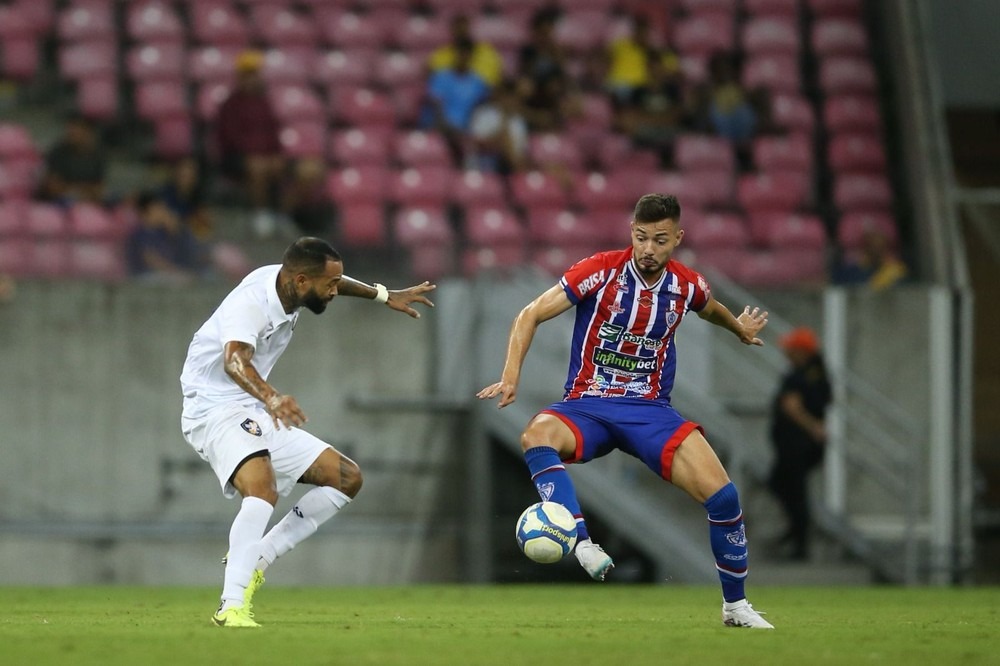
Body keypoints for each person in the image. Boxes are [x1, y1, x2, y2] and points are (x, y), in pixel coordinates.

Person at [477, 193, 775, 629]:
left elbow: (709, 308)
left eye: (659, 240)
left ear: (677, 238)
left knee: (725, 497)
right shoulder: (599, 271)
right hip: (588, 405)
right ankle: (580, 542)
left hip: (650, 411)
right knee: (536, 434)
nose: (648, 249)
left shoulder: (686, 284)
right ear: (630, 233)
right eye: (641, 238)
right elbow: (530, 314)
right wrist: (510, 375)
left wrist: (739, 329)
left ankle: (735, 607)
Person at [180, 237, 435, 628]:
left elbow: (339, 280)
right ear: (301, 281)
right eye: (329, 285)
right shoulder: (250, 303)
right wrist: (272, 398)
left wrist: (384, 295)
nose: (335, 290)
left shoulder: (291, 283)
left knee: (346, 477)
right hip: (212, 408)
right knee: (260, 486)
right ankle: (231, 607)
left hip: (251, 405)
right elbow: (234, 361)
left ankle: (257, 558)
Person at [767, 327, 832, 561]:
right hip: (801, 443)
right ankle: (795, 534)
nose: (786, 351)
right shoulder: (818, 372)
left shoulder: (799, 375)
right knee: (788, 487)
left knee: (790, 489)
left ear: (801, 352)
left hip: (796, 443)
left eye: (791, 348)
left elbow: (791, 406)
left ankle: (798, 539)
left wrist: (811, 427)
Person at [214, 50, 286, 238]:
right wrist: (258, 154)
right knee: (258, 166)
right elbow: (231, 139)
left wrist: (275, 154)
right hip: (236, 158)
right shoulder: (230, 104)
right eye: (248, 75)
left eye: (255, 74)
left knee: (297, 167)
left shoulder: (264, 102)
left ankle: (281, 214)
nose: (252, 79)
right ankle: (260, 213)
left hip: (265, 155)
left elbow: (274, 132)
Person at [125, 191, 207, 282]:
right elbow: (152, 260)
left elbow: (188, 255)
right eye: (158, 208)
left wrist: (176, 231)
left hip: (165, 274)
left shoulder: (163, 232)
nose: (163, 211)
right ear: (146, 211)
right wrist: (177, 272)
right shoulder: (139, 234)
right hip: (144, 276)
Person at [40, 113, 108, 204]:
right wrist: (83, 190)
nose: (71, 131)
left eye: (77, 128)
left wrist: (75, 189)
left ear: (88, 132)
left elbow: (99, 190)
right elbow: (53, 188)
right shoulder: (57, 152)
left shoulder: (97, 155)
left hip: (86, 201)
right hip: (57, 203)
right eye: (70, 127)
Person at [427, 14, 504, 88]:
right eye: (458, 28)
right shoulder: (440, 55)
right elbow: (435, 84)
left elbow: (498, 80)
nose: (461, 31)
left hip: (484, 97)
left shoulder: (488, 52)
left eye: (464, 28)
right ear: (452, 30)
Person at [831, 227, 908, 290]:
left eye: (880, 248)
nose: (876, 252)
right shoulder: (852, 270)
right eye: (872, 247)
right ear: (865, 248)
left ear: (885, 249)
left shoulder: (896, 271)